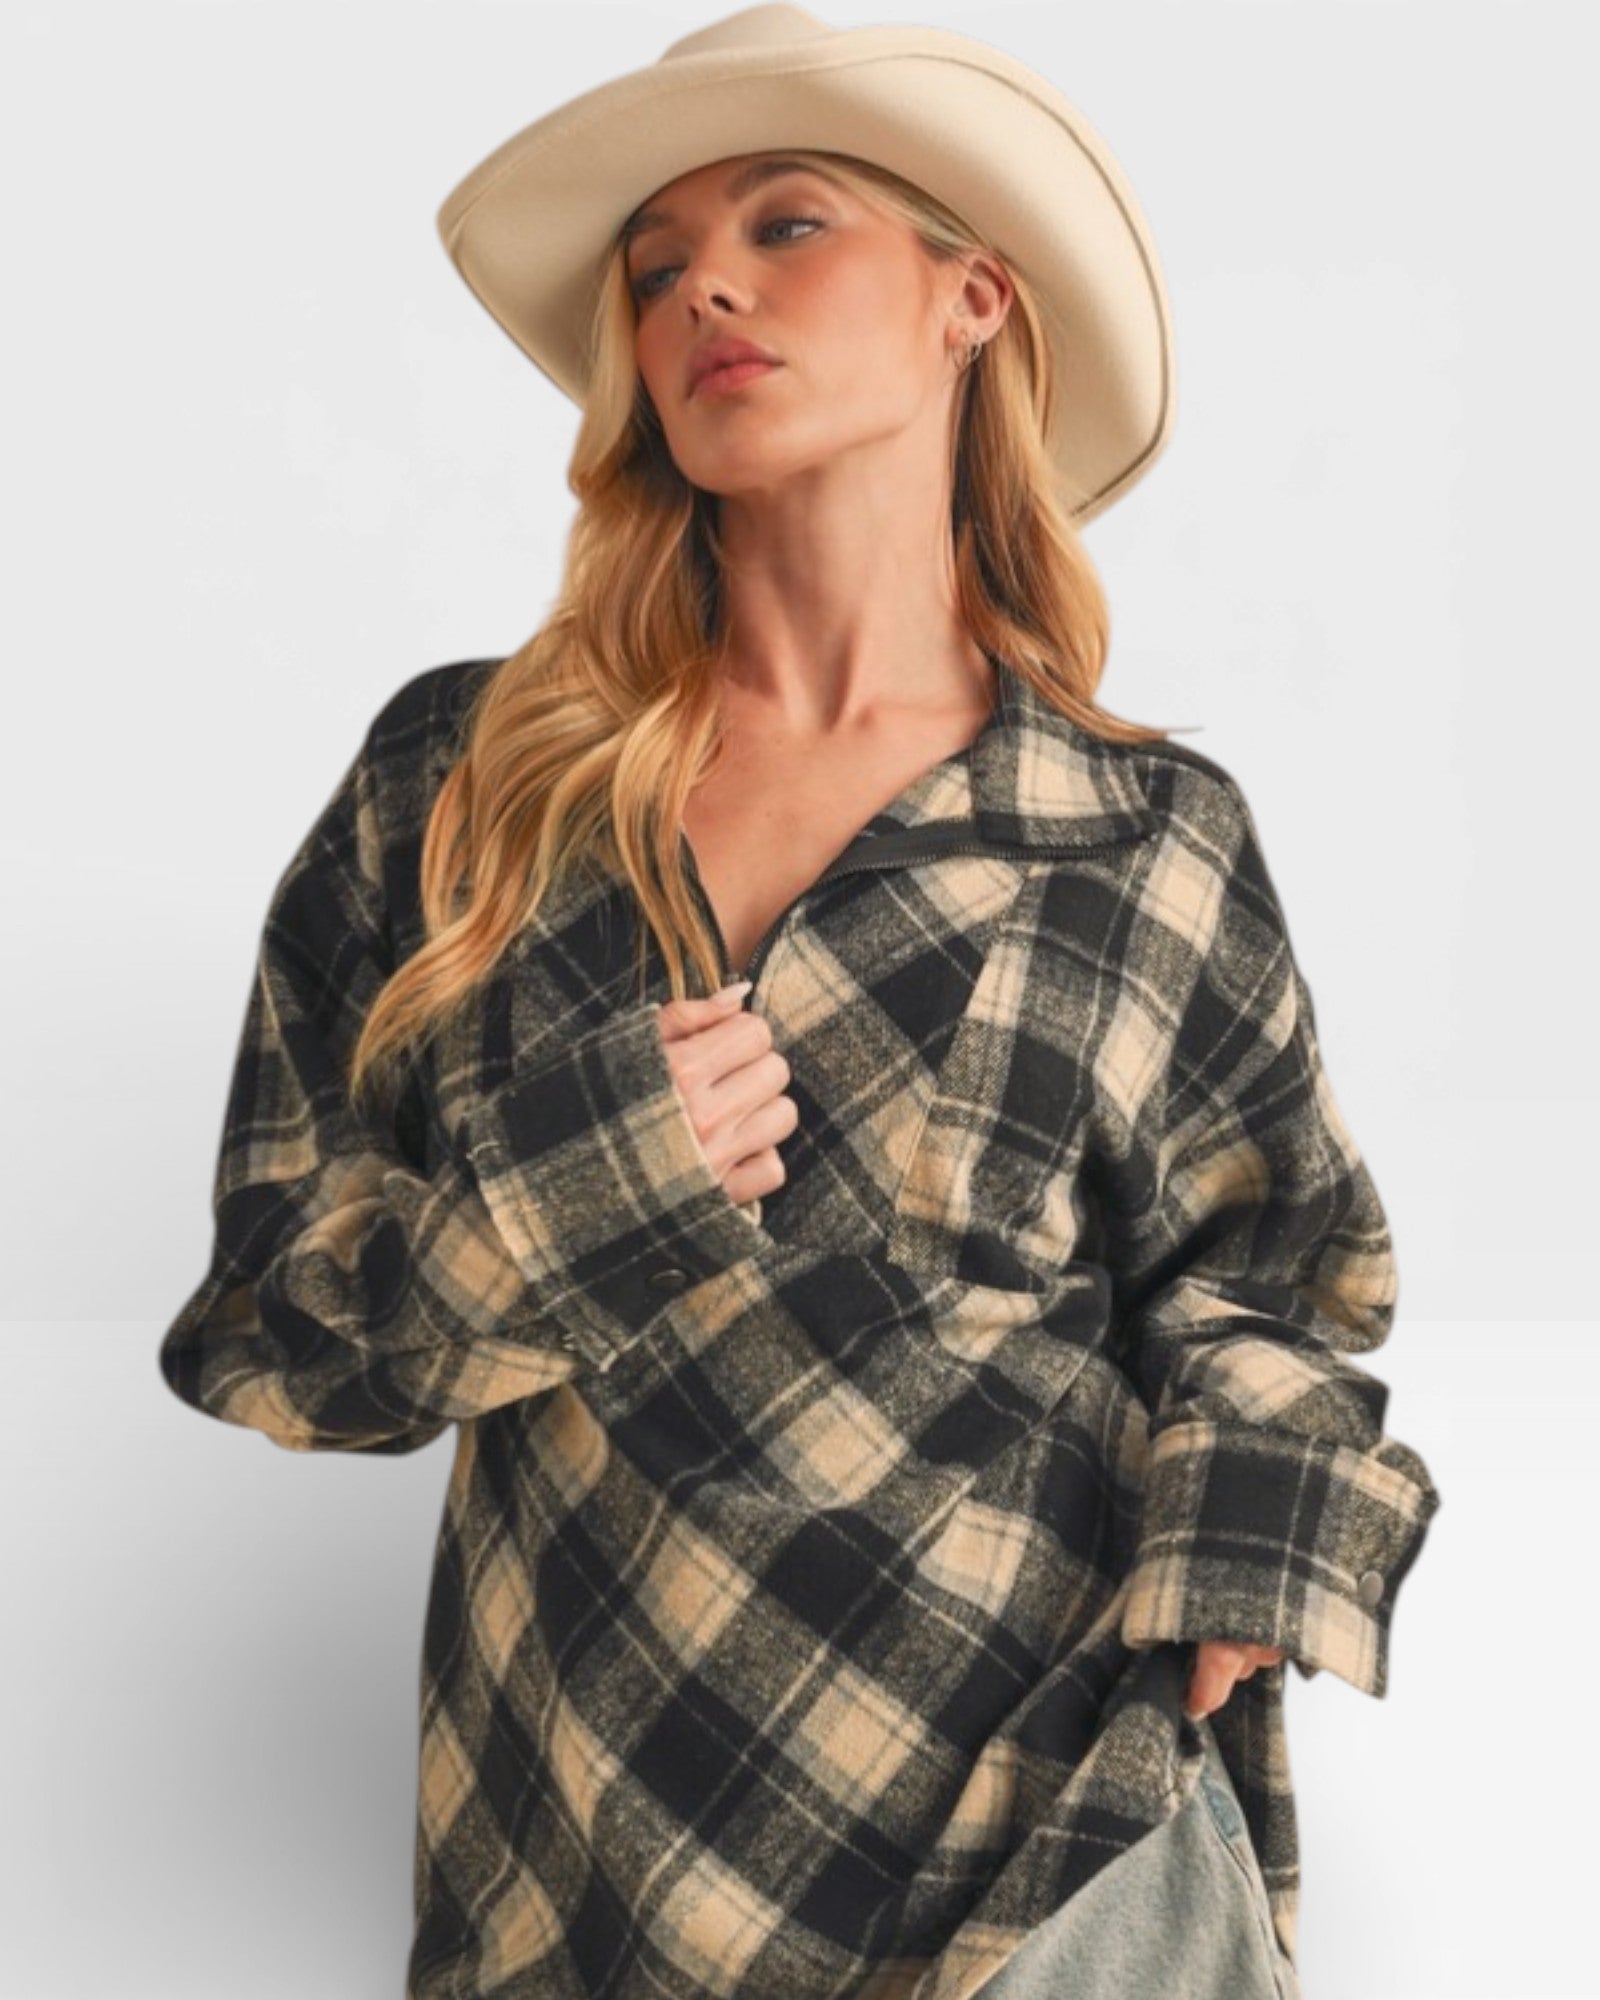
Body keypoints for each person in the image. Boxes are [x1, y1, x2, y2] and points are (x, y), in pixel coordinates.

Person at [158, 7, 1443, 1998]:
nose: (706, 291)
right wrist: (567, 1201)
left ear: (968, 296)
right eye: (657, 267)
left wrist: (1242, 1577)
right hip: (566, 1889)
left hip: (1035, 1877)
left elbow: (1271, 1284)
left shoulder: (1131, 835)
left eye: (786, 221)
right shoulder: (464, 786)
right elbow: (264, 1336)